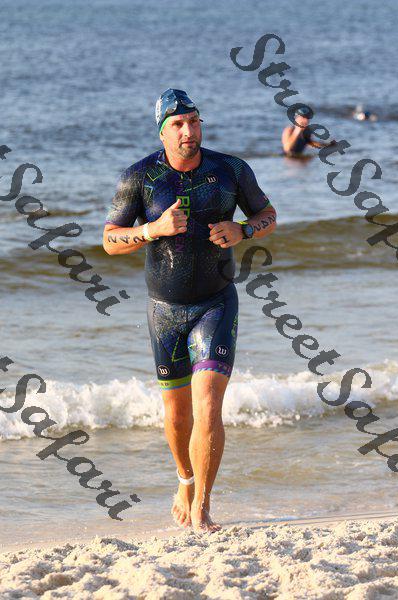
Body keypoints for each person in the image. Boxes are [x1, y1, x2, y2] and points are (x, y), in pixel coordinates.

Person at [102, 88, 277, 532]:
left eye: (194, 121)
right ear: (162, 132)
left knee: (209, 404)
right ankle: (185, 479)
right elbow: (110, 241)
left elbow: (268, 215)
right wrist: (153, 229)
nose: (189, 131)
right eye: (178, 124)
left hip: (215, 302)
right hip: (164, 311)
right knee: (178, 416)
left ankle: (202, 503)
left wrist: (243, 230)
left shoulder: (231, 170)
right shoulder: (139, 177)